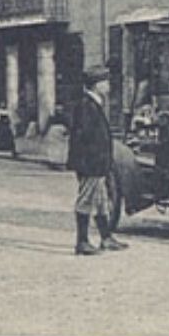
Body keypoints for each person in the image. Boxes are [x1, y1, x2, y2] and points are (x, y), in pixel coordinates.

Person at [66, 66, 124, 256]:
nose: (108, 86)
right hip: (90, 164)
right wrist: (88, 164)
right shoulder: (86, 106)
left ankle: (106, 238)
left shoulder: (93, 104)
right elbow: (82, 138)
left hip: (97, 164)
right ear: (97, 85)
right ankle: (81, 242)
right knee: (86, 201)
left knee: (101, 202)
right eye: (105, 82)